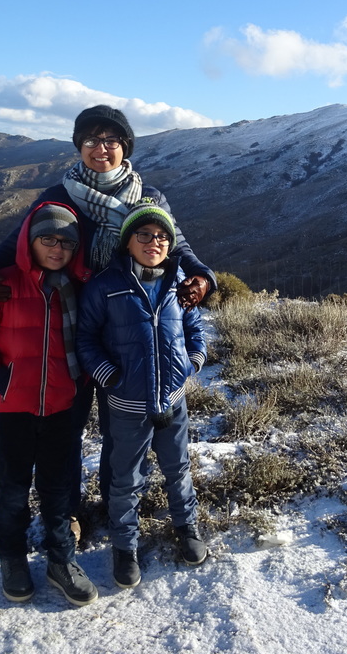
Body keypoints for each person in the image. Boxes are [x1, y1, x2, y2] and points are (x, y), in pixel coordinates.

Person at [0, 105, 216, 537]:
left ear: (126, 147)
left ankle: (116, 499)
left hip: (132, 328)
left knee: (121, 425)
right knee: (70, 423)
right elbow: (18, 243)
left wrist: (202, 277)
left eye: (111, 140)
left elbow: (177, 244)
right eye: (92, 140)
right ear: (79, 146)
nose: (102, 148)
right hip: (71, 327)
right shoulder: (58, 196)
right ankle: (71, 510)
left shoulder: (148, 196)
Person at [0, 202, 98, 607]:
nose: (57, 249)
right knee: (13, 488)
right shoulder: (3, 284)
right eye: (47, 239)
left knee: (57, 489)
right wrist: (1, 378)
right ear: (29, 242)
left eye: (66, 242)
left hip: (62, 406)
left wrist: (80, 379)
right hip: (12, 409)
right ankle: (13, 559)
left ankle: (61, 561)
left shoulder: (77, 287)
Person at [77, 197, 210, 588]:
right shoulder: (105, 286)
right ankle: (125, 547)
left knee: (178, 467)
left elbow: (195, 331)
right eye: (145, 234)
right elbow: (85, 338)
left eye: (162, 237)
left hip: (173, 399)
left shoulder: (179, 287)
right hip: (126, 403)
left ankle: (187, 528)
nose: (154, 242)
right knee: (126, 478)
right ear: (127, 240)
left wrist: (193, 364)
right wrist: (109, 376)